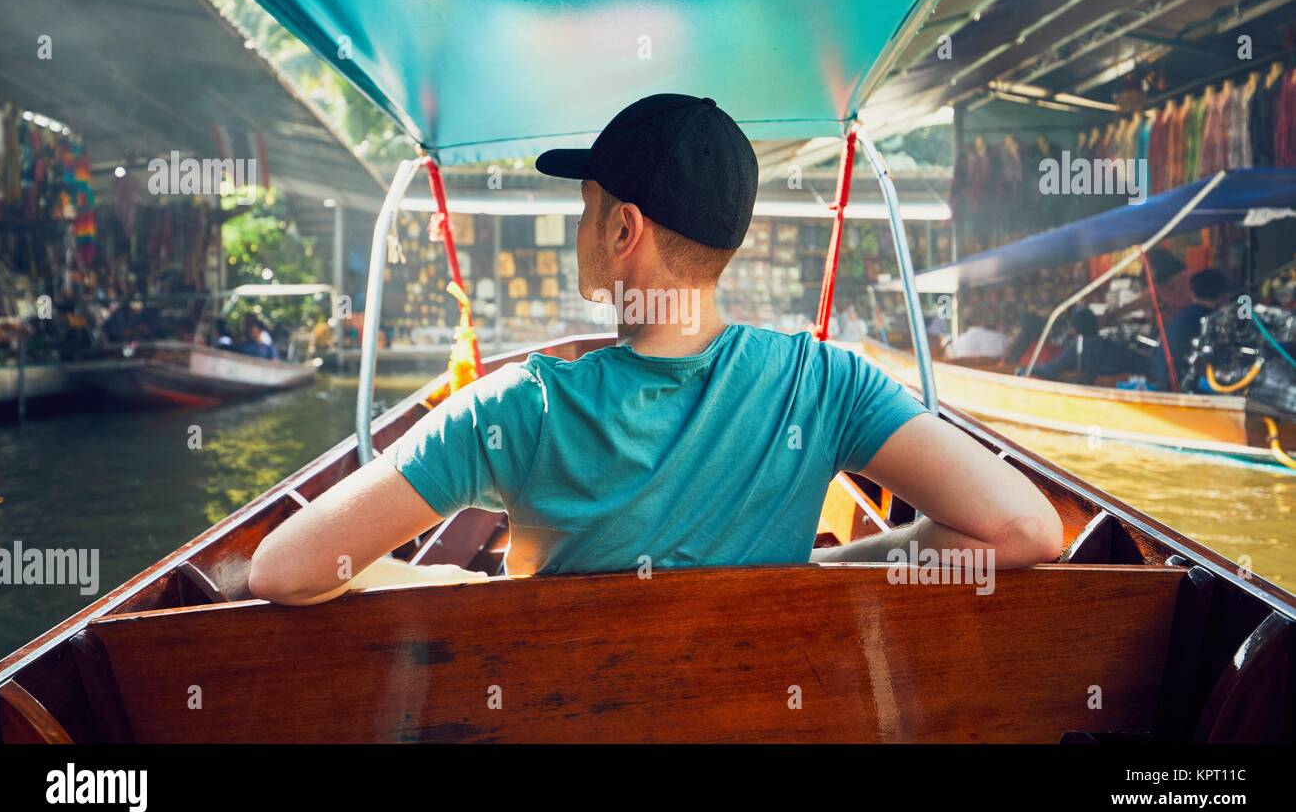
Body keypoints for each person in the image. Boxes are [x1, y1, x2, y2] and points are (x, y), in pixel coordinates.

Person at [249, 94, 1062, 606]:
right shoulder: (825, 385)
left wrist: (452, 583)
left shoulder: (517, 408)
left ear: (622, 228)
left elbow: (284, 571)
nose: (580, 231)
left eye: (586, 209)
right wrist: (826, 572)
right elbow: (1023, 530)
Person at [1149, 267, 1228, 391]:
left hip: (1159, 378)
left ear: (1192, 292)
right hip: (1177, 386)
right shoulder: (1211, 320)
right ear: (1223, 295)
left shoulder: (1183, 315)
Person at [1033, 306, 1149, 385]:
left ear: (1075, 329)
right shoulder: (1111, 347)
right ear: (1096, 324)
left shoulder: (1078, 349)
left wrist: (1025, 370)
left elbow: (1050, 370)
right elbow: (1143, 364)